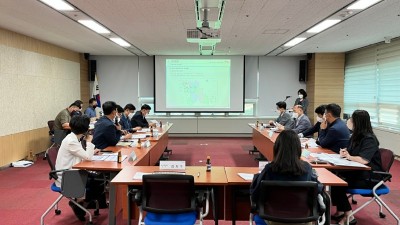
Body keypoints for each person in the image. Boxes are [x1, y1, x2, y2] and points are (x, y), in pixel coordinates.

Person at [250, 130, 320, 225]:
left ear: (277, 148)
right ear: (298, 149)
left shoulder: (270, 169)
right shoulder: (307, 168)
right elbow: (318, 190)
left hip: (272, 219)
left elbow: (256, 194)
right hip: (303, 219)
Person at [330, 110, 383, 225]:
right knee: (334, 177)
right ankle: (340, 211)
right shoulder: (356, 136)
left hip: (370, 177)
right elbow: (351, 152)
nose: (350, 121)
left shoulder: (369, 139)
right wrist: (345, 152)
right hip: (358, 172)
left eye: (352, 119)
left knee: (337, 183)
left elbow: (364, 160)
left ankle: (349, 215)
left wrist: (349, 156)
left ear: (358, 122)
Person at [55, 115, 100, 221]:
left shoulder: (73, 138)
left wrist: (92, 151)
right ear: (85, 130)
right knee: (96, 180)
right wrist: (89, 142)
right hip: (67, 176)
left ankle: (83, 202)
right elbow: (87, 157)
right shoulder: (71, 141)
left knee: (97, 179)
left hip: (72, 171)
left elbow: (81, 153)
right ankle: (78, 203)